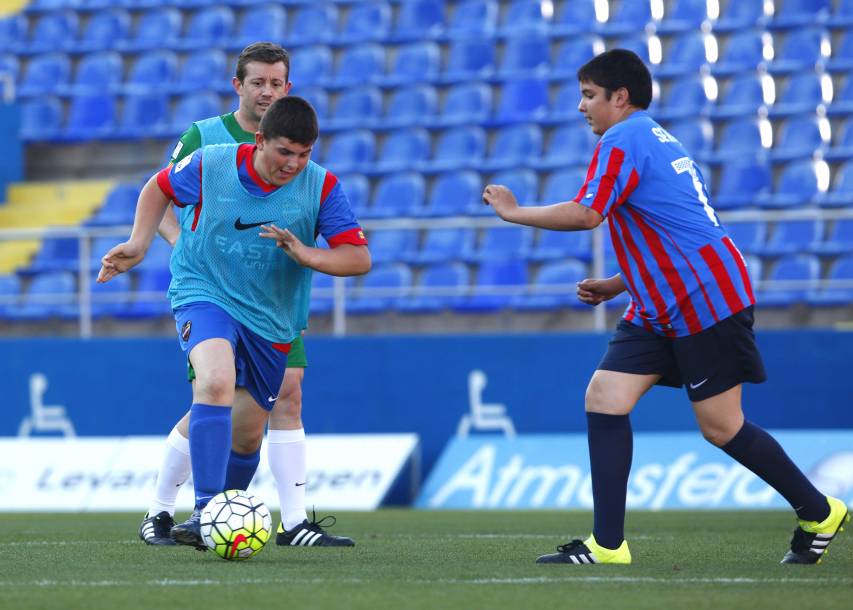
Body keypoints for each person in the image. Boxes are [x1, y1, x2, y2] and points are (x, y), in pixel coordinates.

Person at [482, 49, 849, 566]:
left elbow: (589, 214)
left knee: (721, 427)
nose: (581, 107)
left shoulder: (622, 139)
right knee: (605, 395)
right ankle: (608, 545)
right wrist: (617, 282)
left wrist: (515, 212)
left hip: (704, 298)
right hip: (660, 300)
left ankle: (819, 510)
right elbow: (673, 228)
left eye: (589, 96)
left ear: (620, 97)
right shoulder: (656, 137)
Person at [100, 96, 371, 549]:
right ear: (260, 139)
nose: (294, 164)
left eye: (304, 154)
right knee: (215, 381)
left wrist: (307, 254)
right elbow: (159, 186)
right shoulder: (211, 163)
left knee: (247, 436)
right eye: (285, 152)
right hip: (203, 291)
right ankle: (204, 513)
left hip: (270, 315)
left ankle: (224, 508)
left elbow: (358, 257)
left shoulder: (321, 186)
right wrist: (139, 242)